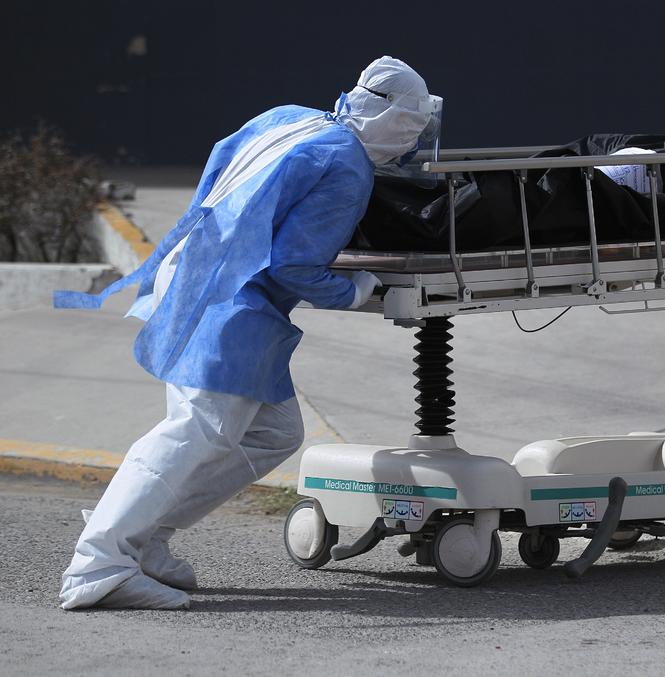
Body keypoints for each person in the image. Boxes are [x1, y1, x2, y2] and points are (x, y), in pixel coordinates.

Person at [54, 56, 442, 610]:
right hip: (229, 305)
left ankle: (144, 537)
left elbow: (220, 163)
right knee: (194, 431)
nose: (413, 140)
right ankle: (99, 565)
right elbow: (294, 267)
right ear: (397, 122)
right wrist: (358, 290)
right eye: (414, 126)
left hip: (194, 273)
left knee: (272, 433)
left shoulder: (292, 117)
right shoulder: (348, 167)